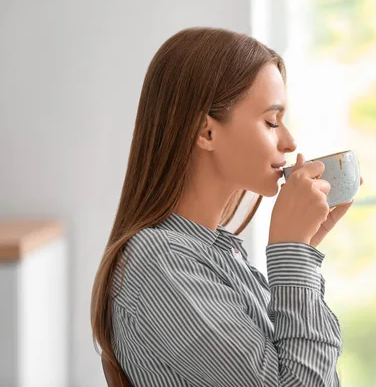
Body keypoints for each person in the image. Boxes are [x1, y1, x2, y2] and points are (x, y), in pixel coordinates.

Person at [90, 27, 360, 386]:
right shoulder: (160, 261)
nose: (289, 141)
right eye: (271, 121)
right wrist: (291, 252)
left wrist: (303, 247)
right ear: (206, 132)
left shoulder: (219, 258)